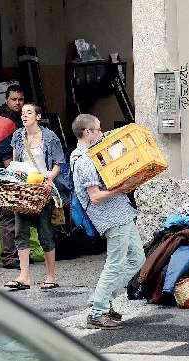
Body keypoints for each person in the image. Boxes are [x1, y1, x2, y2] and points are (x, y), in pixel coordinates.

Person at [70, 114, 145, 329]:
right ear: (87, 132)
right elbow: (94, 196)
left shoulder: (87, 156)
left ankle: (100, 299)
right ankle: (97, 312)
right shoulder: (84, 161)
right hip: (111, 217)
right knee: (115, 264)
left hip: (121, 214)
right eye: (98, 129)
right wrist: (122, 188)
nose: (102, 133)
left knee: (137, 259)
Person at [4, 103, 65, 290]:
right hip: (24, 189)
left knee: (45, 233)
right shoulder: (17, 135)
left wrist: (49, 179)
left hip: (42, 188)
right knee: (20, 231)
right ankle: (24, 276)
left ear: (38, 116)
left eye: (28, 112)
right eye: (22, 113)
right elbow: (15, 162)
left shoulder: (49, 137)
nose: (24, 116)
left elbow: (58, 163)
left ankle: (50, 276)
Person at [0, 84, 25, 269]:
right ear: (7, 99)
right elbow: (5, 152)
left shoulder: (18, 117)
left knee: (17, 213)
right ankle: (9, 257)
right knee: (10, 214)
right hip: (9, 169)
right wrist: (14, 172)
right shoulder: (5, 119)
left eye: (20, 100)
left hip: (16, 168)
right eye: (14, 99)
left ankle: (16, 255)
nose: (17, 103)